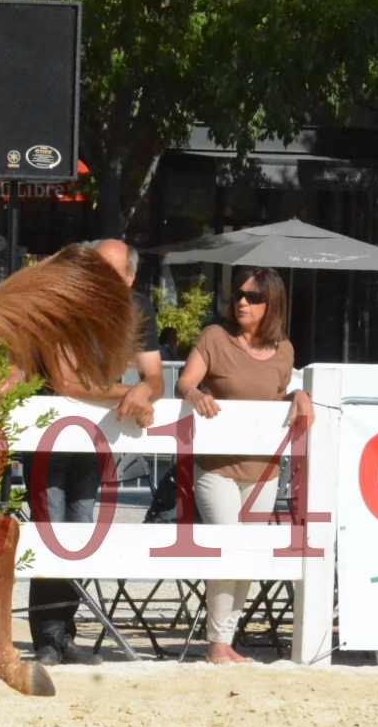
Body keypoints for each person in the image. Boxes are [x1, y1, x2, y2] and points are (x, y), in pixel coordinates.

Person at [25, 238, 165, 666]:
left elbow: (155, 376)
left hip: (95, 434)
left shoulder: (137, 308)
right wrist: (132, 392)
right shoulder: (66, 303)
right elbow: (67, 382)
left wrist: (145, 390)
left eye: (110, 271)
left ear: (130, 277)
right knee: (52, 530)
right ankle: (47, 639)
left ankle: (63, 635)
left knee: (81, 531)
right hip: (48, 431)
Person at [176, 267, 311, 664]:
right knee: (226, 547)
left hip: (264, 470)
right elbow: (184, 383)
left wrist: (300, 395)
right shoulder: (215, 338)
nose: (242, 302)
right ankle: (216, 643)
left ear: (272, 305)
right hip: (216, 468)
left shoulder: (284, 349)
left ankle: (226, 639)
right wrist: (195, 394)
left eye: (253, 297)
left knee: (247, 553)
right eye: (239, 295)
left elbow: (279, 396)